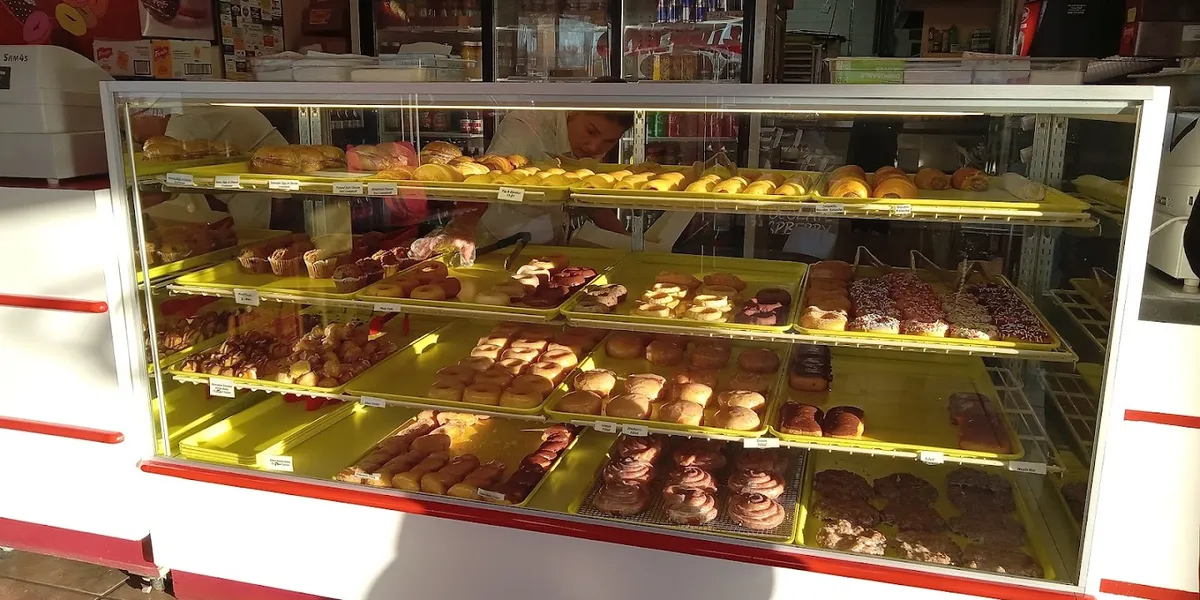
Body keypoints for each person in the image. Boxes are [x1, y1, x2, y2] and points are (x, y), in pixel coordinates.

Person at [413, 106, 634, 263]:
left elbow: (588, 193)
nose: (595, 146)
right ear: (573, 111)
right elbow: (489, 177)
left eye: (609, 141)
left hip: (545, 246)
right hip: (498, 245)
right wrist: (464, 226)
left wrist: (628, 244)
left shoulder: (588, 145)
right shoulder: (526, 127)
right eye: (590, 131)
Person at [134, 105, 288, 229]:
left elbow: (167, 181)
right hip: (258, 186)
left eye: (138, 139)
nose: (143, 144)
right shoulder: (185, 115)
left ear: (143, 115)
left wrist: (129, 207)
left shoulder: (184, 122)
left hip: (274, 187)